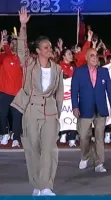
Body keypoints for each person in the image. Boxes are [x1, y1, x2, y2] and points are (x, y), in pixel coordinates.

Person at [11, 7, 63, 196]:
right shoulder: (29, 65)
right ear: (38, 50)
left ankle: (47, 186)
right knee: (33, 150)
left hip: (50, 113)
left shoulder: (57, 69)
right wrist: (23, 26)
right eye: (46, 47)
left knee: (50, 150)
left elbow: (59, 93)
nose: (50, 50)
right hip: (31, 111)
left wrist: (57, 112)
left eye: (50, 47)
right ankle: (37, 185)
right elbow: (22, 49)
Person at [71, 48, 111, 172]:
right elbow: (74, 91)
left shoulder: (104, 71)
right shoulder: (79, 72)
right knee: (84, 136)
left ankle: (99, 163)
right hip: (85, 109)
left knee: (99, 138)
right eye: (92, 55)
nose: (95, 58)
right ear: (86, 58)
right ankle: (85, 156)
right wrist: (75, 107)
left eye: (96, 55)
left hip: (101, 110)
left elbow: (110, 91)